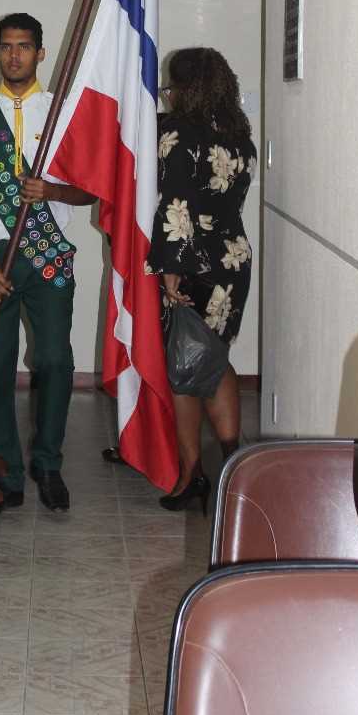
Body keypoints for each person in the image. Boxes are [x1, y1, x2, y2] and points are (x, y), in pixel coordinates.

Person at [0, 13, 94, 514]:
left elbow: (91, 189)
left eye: (24, 46)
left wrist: (53, 190)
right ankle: (4, 473)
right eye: (6, 47)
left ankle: (48, 463)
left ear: (41, 52)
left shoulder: (65, 114)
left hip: (47, 255)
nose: (14, 55)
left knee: (55, 360)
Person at [147, 47, 257, 513]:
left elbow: (176, 202)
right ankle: (226, 466)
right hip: (232, 257)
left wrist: (170, 270)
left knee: (193, 364)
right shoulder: (239, 134)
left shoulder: (177, 131)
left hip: (191, 261)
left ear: (184, 86)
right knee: (205, 358)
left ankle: (201, 472)